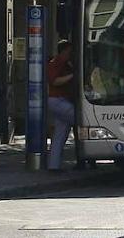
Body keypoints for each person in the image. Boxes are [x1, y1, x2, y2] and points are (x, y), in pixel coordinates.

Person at [46, 40, 77, 171]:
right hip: (58, 100)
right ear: (63, 51)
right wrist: (73, 76)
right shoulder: (56, 63)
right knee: (82, 119)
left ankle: (54, 166)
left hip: (63, 100)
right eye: (69, 52)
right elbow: (54, 81)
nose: (71, 55)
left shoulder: (66, 64)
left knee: (60, 134)